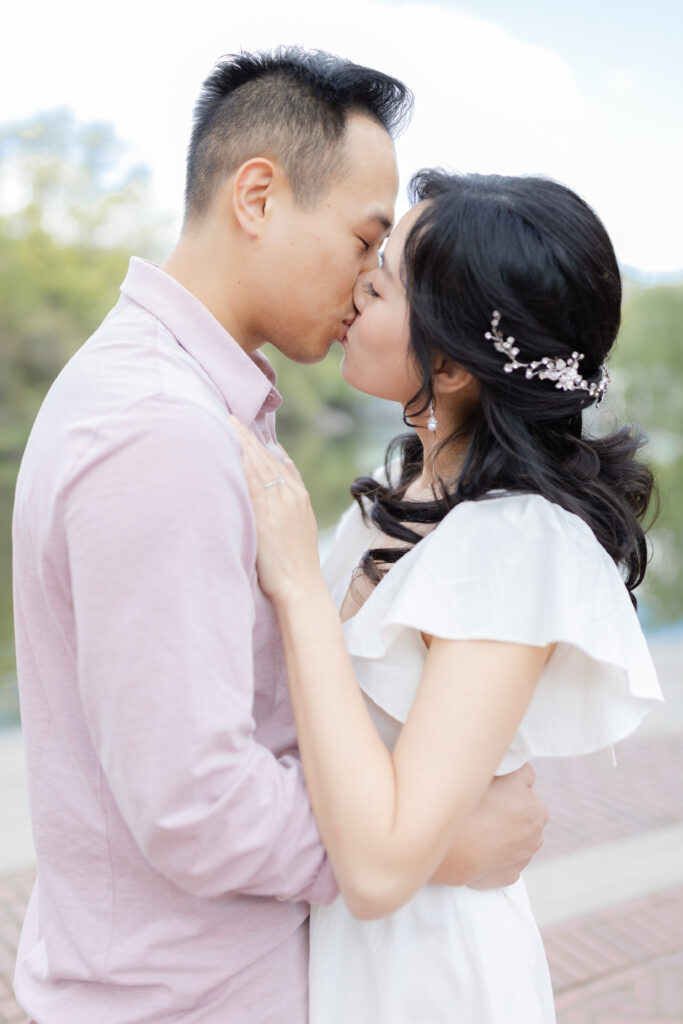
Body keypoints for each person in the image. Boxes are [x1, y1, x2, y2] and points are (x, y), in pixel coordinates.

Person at [12, 51, 549, 1024]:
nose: (366, 280)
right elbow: (196, 803)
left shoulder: (190, 400)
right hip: (191, 992)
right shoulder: (160, 428)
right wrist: (433, 846)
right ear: (257, 195)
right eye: (363, 239)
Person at [230, 169, 664, 1023]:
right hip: (349, 956)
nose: (356, 287)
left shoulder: (510, 546)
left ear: (455, 363)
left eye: (383, 281)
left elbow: (385, 866)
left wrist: (295, 588)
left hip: (427, 976)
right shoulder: (400, 496)